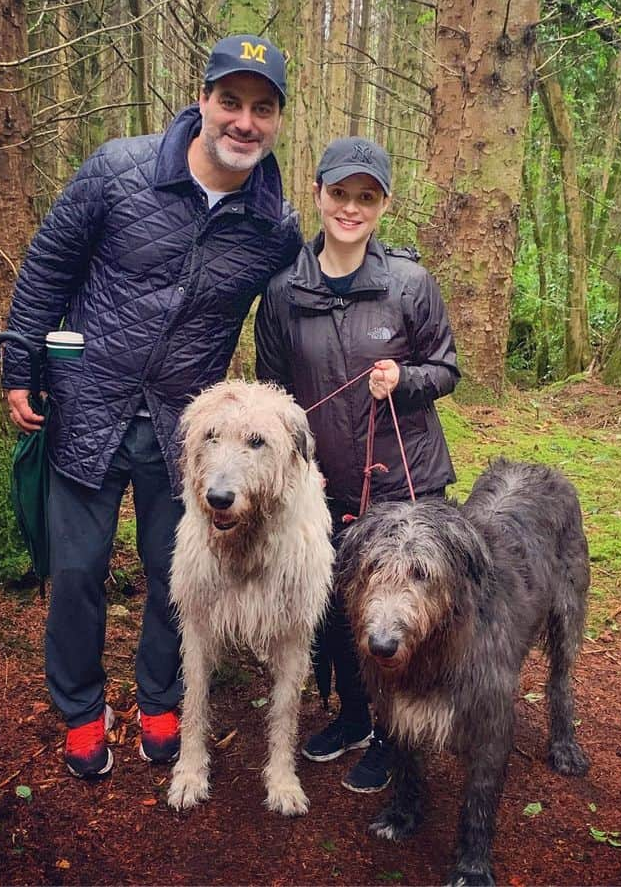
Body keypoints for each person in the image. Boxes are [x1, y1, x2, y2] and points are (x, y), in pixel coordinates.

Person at [1, 35, 302, 780]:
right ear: (202, 101)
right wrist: (21, 365)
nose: (243, 121)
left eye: (261, 108)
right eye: (230, 102)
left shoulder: (274, 226)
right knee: (76, 571)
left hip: (189, 437)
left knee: (179, 576)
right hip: (85, 405)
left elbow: (305, 302)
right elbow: (47, 264)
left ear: (278, 121)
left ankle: (162, 698)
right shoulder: (118, 170)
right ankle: (80, 710)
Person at [254, 136, 460, 794]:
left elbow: (446, 369)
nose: (350, 207)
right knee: (340, 611)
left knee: (397, 615)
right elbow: (273, 397)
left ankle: (399, 740)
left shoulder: (410, 284)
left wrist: (404, 378)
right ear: (318, 194)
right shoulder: (284, 292)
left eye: (365, 197)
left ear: (382, 205)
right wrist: (294, 467)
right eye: (339, 193)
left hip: (407, 485)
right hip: (324, 486)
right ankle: (354, 717)